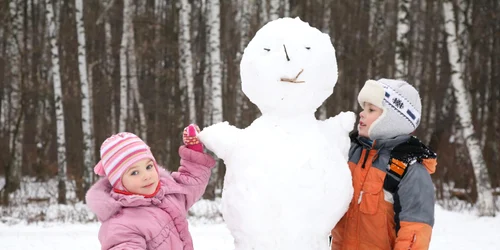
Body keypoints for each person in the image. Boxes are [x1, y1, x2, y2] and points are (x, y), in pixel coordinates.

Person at [330, 79, 437, 250]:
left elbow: (414, 234)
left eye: (371, 110)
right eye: (363, 108)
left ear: (392, 120)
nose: (362, 114)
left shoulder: (410, 169)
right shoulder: (350, 151)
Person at [86, 124, 216, 250]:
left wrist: (194, 150)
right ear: (118, 182)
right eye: (134, 173)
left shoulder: (167, 193)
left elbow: (191, 183)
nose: (146, 176)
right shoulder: (121, 224)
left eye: (148, 167)